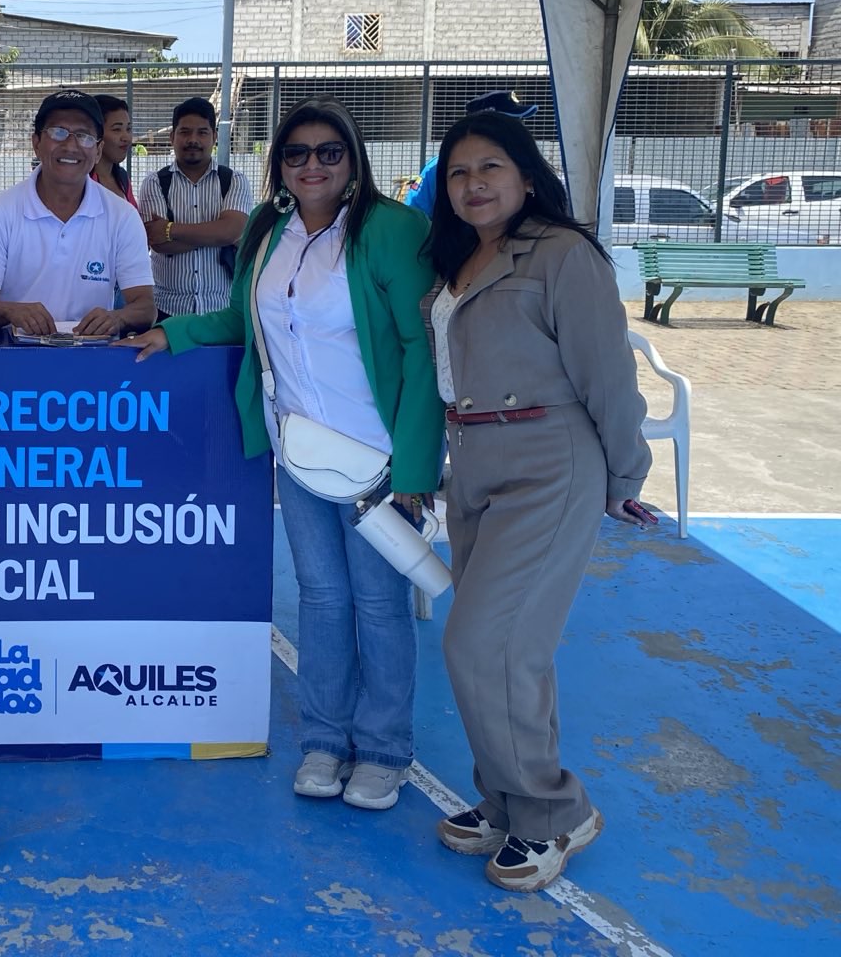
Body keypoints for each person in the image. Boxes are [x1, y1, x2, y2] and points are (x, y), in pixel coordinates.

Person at [117, 98, 442, 812]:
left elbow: (421, 353)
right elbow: (244, 317)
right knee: (322, 601)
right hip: (298, 451)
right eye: (296, 153)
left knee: (380, 605)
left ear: (353, 158)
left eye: (329, 151)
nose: (312, 165)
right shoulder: (268, 227)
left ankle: (383, 750)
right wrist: (177, 333)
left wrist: (416, 470)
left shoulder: (392, 230)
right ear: (278, 164)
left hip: (380, 458)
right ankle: (324, 741)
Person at [425, 110, 650, 893]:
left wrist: (626, 478)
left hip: (548, 464)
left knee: (479, 643)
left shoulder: (561, 253)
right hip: (473, 463)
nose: (473, 184)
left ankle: (556, 812)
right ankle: (506, 799)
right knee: (511, 651)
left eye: (490, 167)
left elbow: (607, 374)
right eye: (458, 172)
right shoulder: (457, 256)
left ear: (526, 175)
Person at [0, 90, 155, 337]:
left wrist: (116, 318)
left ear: (98, 150)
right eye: (58, 132)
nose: (71, 146)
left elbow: (145, 306)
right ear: (36, 143)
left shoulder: (123, 216)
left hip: (91, 355)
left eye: (84, 136)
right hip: (13, 355)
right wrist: (11, 310)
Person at [138, 97, 254, 320]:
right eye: (185, 132)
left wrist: (169, 229)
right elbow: (159, 243)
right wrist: (218, 235)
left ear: (214, 137)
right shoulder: (154, 183)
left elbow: (231, 231)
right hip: (167, 310)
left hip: (222, 310)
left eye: (202, 132)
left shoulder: (234, 181)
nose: (193, 140)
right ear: (172, 137)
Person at [405, 91, 538, 217]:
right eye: (459, 172)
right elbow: (415, 216)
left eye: (520, 122)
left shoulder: (525, 161)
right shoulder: (437, 167)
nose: (473, 185)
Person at [90, 94, 136, 205]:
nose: (126, 137)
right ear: (96, 133)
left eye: (128, 129)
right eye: (117, 129)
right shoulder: (81, 182)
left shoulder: (122, 178)